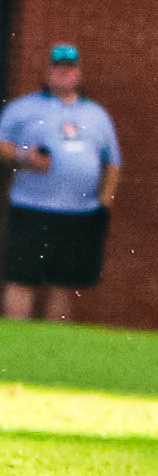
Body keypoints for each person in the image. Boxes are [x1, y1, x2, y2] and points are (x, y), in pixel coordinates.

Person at [2, 45, 119, 321]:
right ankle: (16, 342)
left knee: (64, 284)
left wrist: (104, 203)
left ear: (78, 71)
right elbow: (2, 145)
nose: (63, 72)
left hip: (79, 213)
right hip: (31, 207)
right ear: (48, 70)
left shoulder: (96, 115)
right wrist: (25, 156)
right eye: (57, 66)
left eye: (69, 67)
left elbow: (113, 163)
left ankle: (57, 346)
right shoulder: (24, 107)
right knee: (21, 279)